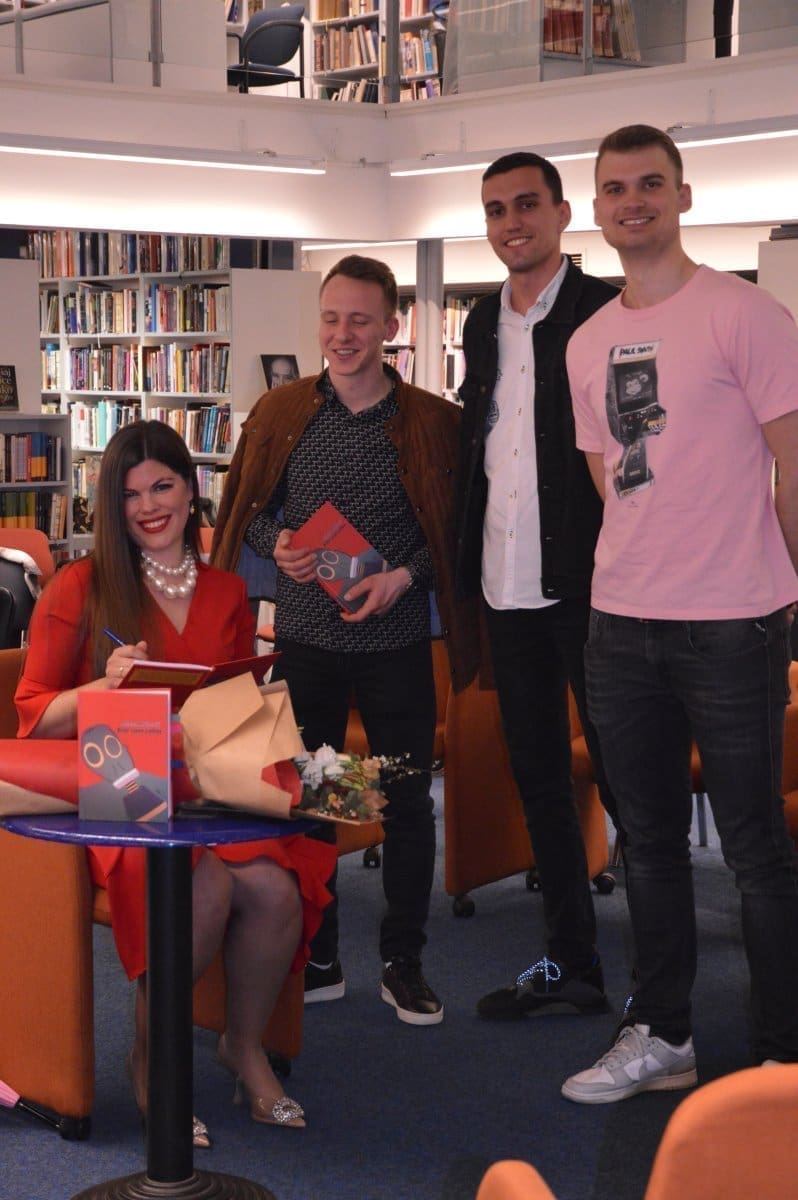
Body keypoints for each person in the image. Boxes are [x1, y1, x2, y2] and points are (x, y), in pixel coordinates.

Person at [562, 124, 798, 1104]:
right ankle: (663, 1034)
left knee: (755, 851)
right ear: (598, 208)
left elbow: (793, 462)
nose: (634, 201)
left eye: (651, 183)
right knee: (648, 843)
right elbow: (608, 480)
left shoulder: (747, 314)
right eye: (616, 188)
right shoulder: (586, 343)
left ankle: (784, 1057)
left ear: (684, 196)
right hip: (619, 626)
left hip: (734, 622)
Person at [15, 420, 336, 1138]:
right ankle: (153, 1059)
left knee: (276, 888)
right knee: (206, 883)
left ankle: (242, 1048)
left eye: (162, 486)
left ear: (192, 491)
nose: (148, 506)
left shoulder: (227, 591)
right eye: (130, 495)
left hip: (205, 786)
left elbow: (231, 708)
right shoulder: (79, 585)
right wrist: (104, 685)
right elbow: (33, 714)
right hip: (117, 789)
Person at [212, 254, 478, 1026]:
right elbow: (248, 511)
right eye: (331, 318)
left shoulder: (432, 422)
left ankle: (403, 962)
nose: (343, 334)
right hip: (309, 649)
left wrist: (404, 577)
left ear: (392, 326)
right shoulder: (283, 411)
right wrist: (279, 541)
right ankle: (321, 955)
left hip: (397, 647)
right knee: (323, 802)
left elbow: (456, 533)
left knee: (404, 801)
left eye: (360, 320)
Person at [454, 151, 619, 1020]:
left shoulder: (606, 312)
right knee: (540, 782)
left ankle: (667, 989)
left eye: (526, 204)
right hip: (504, 586)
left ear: (561, 214)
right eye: (495, 209)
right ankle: (571, 960)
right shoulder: (483, 321)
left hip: (591, 589)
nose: (510, 222)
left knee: (626, 780)